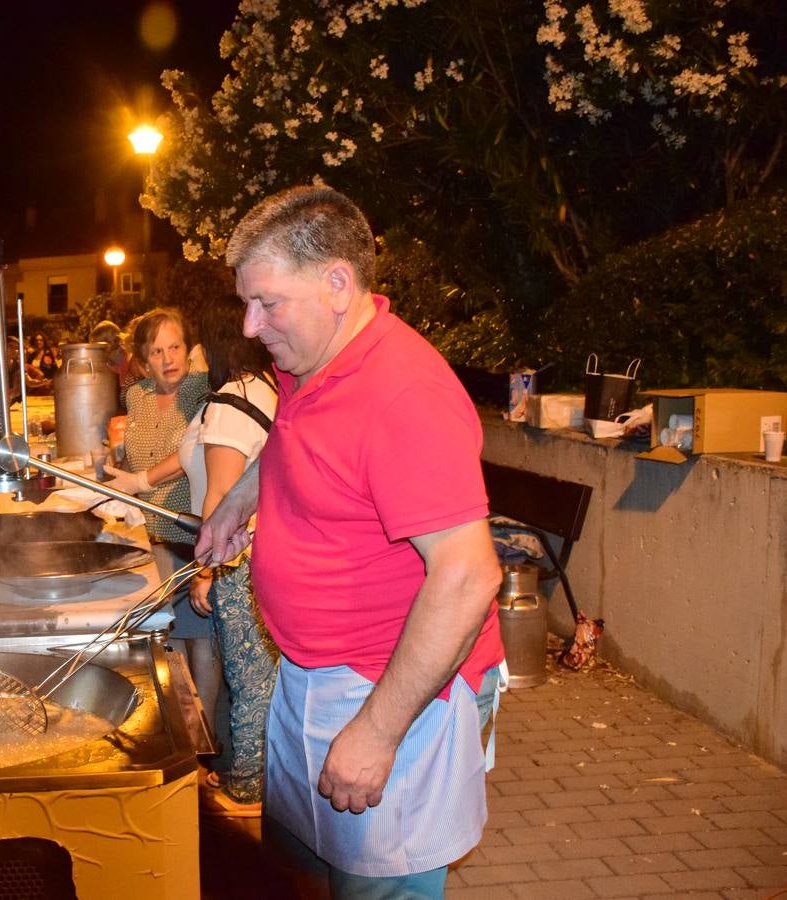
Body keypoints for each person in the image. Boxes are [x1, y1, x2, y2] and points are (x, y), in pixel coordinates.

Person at [196, 185, 504, 898]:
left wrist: (376, 734)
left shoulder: (404, 394)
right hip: (309, 680)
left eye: (266, 302)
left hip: (391, 689)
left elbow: (467, 577)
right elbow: (302, 438)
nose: (249, 325)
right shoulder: (315, 360)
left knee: (380, 886)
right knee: (298, 879)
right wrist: (243, 496)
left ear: (338, 283)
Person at [180, 293, 280, 817]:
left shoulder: (230, 401)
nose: (193, 358)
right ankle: (258, 784)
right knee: (260, 677)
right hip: (263, 552)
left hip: (238, 558)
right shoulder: (264, 388)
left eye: (196, 345)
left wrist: (206, 570)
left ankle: (247, 794)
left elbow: (221, 496)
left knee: (248, 683)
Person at [100, 309, 220, 733]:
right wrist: (118, 460)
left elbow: (195, 450)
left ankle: (201, 737)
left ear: (189, 350)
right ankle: (174, 728)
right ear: (143, 360)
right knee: (166, 640)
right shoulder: (137, 395)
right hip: (148, 534)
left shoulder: (202, 391)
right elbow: (135, 449)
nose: (169, 358)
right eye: (157, 351)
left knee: (201, 641)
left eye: (176, 347)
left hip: (190, 529)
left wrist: (141, 479)